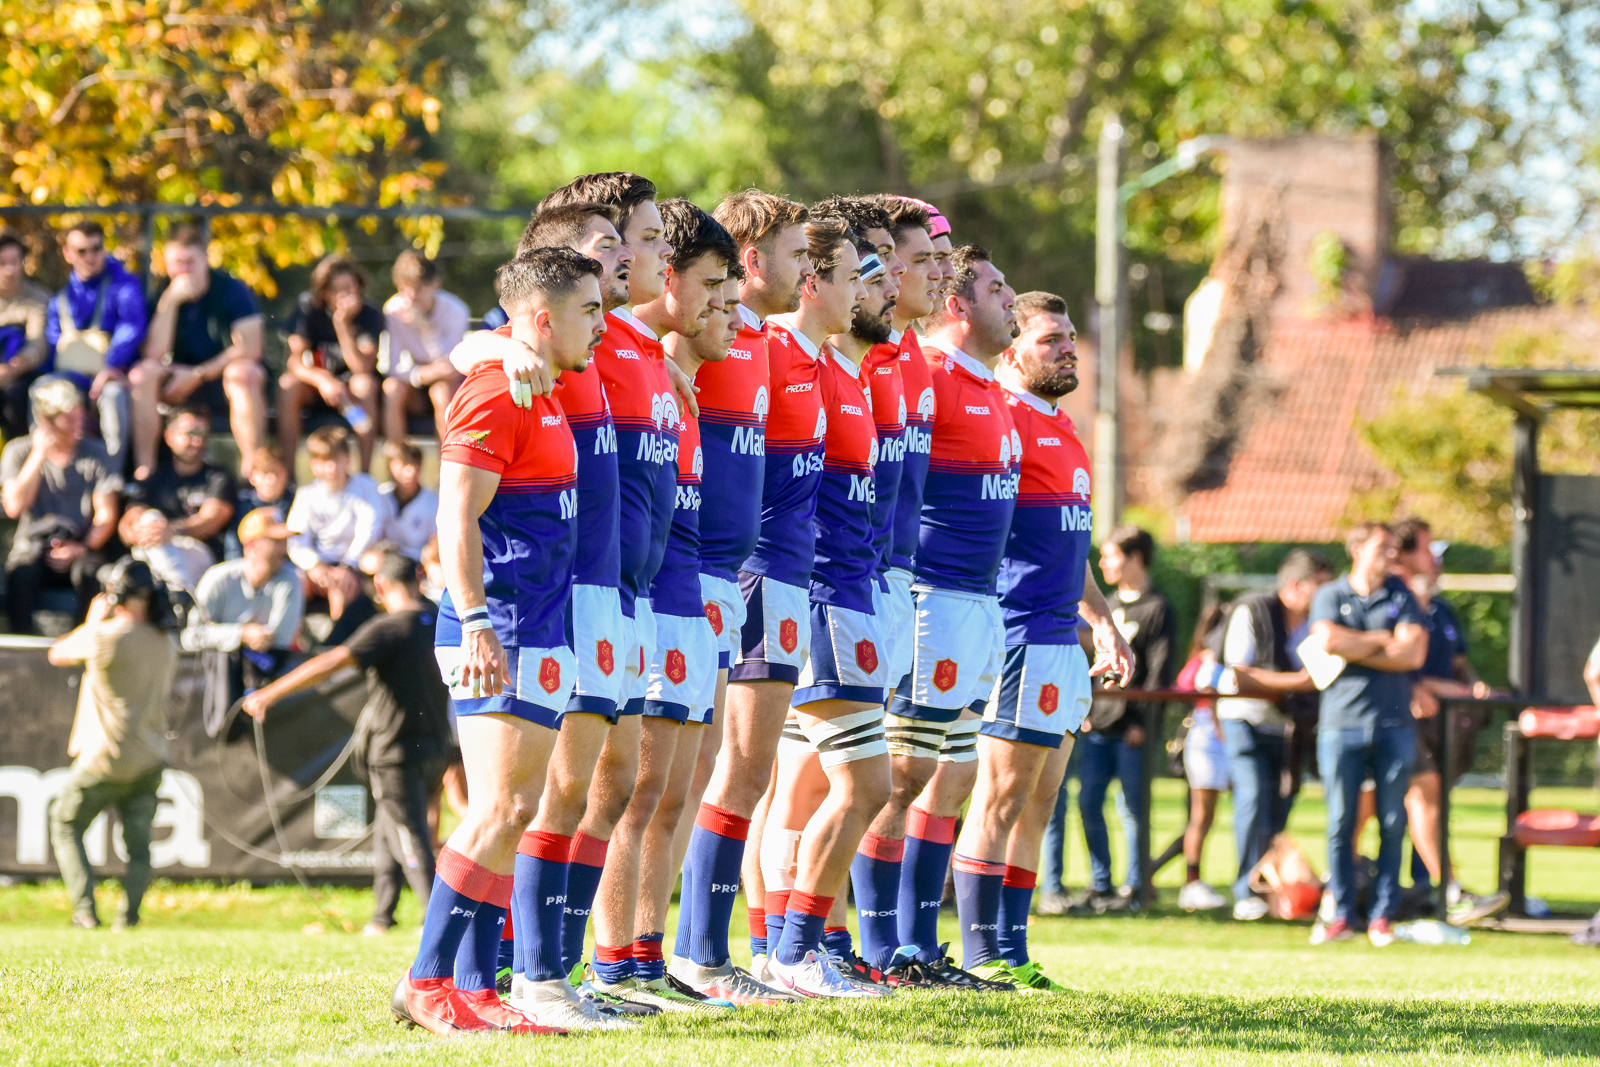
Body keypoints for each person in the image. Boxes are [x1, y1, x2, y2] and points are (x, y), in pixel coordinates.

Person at [390, 246, 608, 1036]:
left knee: (513, 812)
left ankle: (478, 987)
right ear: (544, 318)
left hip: (541, 623)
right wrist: (476, 618)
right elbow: (456, 516)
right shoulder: (495, 389)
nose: (602, 323)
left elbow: (477, 341)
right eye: (589, 310)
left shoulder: (542, 378)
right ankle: (426, 979)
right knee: (501, 807)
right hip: (500, 625)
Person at [942, 291, 1129, 990]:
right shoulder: (1002, 418)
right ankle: (979, 950)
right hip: (1016, 632)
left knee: (1040, 800)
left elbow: (1070, 547)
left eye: (1071, 335)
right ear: (1012, 349)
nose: (1069, 347)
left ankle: (1014, 951)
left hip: (1060, 639)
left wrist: (1102, 621)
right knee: (999, 797)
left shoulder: (1064, 428)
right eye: (1051, 338)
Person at [594, 199, 740, 1012]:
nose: (723, 308)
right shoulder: (609, 342)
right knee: (631, 792)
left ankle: (646, 958)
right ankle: (609, 959)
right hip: (639, 599)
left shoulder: (662, 365)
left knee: (671, 793)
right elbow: (490, 339)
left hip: (684, 596)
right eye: (713, 289)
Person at [669, 190, 811, 1006]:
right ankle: (687, 952)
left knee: (730, 769)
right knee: (708, 769)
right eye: (797, 255)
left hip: (737, 575)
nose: (807, 271)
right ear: (751, 261)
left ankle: (695, 953)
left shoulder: (761, 340)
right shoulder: (698, 334)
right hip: (709, 574)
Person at [876, 244, 1021, 987]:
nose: (1012, 301)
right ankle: (881, 946)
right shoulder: (930, 372)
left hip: (979, 601)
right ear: (958, 305)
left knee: (953, 774)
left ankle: (919, 943)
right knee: (903, 773)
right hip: (932, 597)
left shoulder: (991, 384)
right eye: (997, 290)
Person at [243, 549, 452, 935]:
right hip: (435, 747)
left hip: (396, 751)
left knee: (410, 837)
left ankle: (438, 925)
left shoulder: (389, 627)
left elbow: (329, 663)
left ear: (382, 585)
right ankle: (382, 916)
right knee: (391, 828)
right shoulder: (437, 620)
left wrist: (269, 694)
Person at [1306, 521, 1428, 946]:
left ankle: (1382, 917)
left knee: (1393, 822)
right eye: (1382, 547)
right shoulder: (1330, 594)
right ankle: (1341, 914)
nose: (1392, 555)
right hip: (1341, 725)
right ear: (1357, 549)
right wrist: (1381, 639)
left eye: (1394, 548)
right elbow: (1326, 640)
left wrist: (1354, 647)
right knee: (1341, 823)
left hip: (1394, 726)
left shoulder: (1401, 594)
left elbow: (1412, 653)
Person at [46, 559, 178, 929]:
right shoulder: (166, 642)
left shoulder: (104, 636)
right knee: (138, 847)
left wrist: (92, 620)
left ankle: (85, 911)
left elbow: (58, 653)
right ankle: (129, 917)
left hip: (103, 758)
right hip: (150, 757)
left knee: (65, 824)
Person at [1390, 517, 1508, 924]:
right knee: (1411, 799)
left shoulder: (1441, 610)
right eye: (1428, 551)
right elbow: (1390, 661)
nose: (1436, 562)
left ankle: (1432, 891)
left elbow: (1458, 664)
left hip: (1438, 725)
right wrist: (1417, 688)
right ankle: (1450, 891)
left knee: (1423, 801)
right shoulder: (1389, 603)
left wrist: (1472, 686)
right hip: (1391, 721)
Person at [1215, 548, 1329, 920]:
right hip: (1245, 720)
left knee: (1280, 807)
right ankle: (1244, 890)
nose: (1326, 596)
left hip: (1289, 728)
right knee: (1252, 798)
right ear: (1295, 586)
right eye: (1320, 587)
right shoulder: (1252, 609)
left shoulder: (1317, 623)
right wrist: (1300, 682)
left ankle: (1270, 888)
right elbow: (1240, 673)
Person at [132, 224, 267, 480]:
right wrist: (170, 302)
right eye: (177, 263)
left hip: (221, 381)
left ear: (205, 259)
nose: (183, 270)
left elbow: (251, 347)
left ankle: (253, 471)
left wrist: (198, 374)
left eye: (190, 262)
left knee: (244, 374)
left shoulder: (232, 289)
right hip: (177, 384)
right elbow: (154, 354)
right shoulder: (162, 295)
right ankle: (146, 472)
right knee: (142, 374)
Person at [2, 378, 122, 632]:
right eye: (69, 419)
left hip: (81, 544)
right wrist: (38, 455)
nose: (78, 424)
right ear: (46, 421)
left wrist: (82, 547)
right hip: (34, 546)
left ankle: (83, 642)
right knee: (21, 574)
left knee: (92, 573)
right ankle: (22, 646)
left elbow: (106, 514)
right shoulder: (19, 451)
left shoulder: (97, 453)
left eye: (80, 416)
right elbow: (14, 507)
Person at [44, 221, 145, 464]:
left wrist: (110, 366)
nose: (90, 257)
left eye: (96, 248)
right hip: (71, 377)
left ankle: (113, 472)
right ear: (68, 254)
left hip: (112, 375)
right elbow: (53, 343)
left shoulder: (124, 286)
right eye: (82, 251)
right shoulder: (61, 298)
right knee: (41, 391)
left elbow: (132, 328)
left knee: (113, 398)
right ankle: (47, 467)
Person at [280, 254, 386, 468]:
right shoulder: (308, 308)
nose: (346, 295)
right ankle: (288, 473)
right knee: (288, 385)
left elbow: (362, 367)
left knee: (365, 384)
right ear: (324, 293)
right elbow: (294, 362)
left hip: (353, 396)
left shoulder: (370, 314)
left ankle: (364, 473)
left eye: (351, 287)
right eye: (338, 289)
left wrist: (342, 324)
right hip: (318, 388)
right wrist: (322, 380)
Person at [182, 507, 304, 691]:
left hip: (263, 677)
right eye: (276, 541)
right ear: (251, 546)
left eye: (285, 541)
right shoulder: (219, 578)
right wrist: (241, 634)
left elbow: (279, 642)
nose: (284, 549)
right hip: (210, 681)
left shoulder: (290, 579)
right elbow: (190, 636)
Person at [120, 406, 237, 585]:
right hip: (153, 551)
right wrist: (139, 534)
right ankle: (177, 593)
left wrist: (173, 531)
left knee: (153, 528)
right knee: (149, 521)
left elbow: (211, 519)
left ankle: (177, 591)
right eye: (190, 434)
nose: (197, 441)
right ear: (169, 436)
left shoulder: (218, 477)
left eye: (203, 434)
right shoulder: (156, 478)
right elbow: (128, 521)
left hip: (200, 555)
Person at [285, 425, 384, 629]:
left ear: (347, 458)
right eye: (323, 461)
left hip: (354, 564)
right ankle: (293, 640)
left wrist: (348, 566)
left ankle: (337, 638)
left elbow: (369, 530)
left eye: (336, 460)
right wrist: (313, 565)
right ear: (313, 464)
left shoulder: (366, 487)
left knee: (341, 588)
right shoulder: (306, 495)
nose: (330, 468)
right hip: (320, 565)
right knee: (295, 582)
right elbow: (296, 539)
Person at [1174, 603, 1230, 912]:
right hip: (1210, 740)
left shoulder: (1203, 655)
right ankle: (1192, 882)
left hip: (1209, 738)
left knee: (1206, 816)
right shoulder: (1211, 660)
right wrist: (1223, 734)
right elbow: (1208, 694)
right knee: (1202, 816)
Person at [382, 251, 468, 443]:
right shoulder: (393, 310)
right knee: (392, 389)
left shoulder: (457, 311)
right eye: (404, 289)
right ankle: (397, 457)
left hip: (446, 384)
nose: (411, 296)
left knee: (441, 392)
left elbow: (451, 366)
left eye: (418, 289)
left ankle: (445, 460)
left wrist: (426, 329)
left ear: (435, 284)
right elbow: (392, 366)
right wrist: (422, 375)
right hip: (413, 384)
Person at [0, 230, 51, 439]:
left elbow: (37, 346)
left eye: (15, 261)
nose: (9, 270)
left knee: (15, 397)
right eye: (2, 263)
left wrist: (9, 370)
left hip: (23, 374)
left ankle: (18, 454)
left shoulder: (37, 298)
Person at [224, 443, 294, 560]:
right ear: (252, 477)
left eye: (277, 474)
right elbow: (233, 541)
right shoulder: (241, 504)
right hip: (246, 562)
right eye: (265, 473)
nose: (271, 480)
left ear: (286, 475)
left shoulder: (296, 502)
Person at [379, 440, 438, 561]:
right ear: (390, 466)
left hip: (418, 561)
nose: (410, 472)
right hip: (386, 559)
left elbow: (435, 541)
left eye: (415, 464)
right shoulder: (380, 495)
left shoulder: (433, 501)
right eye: (403, 464)